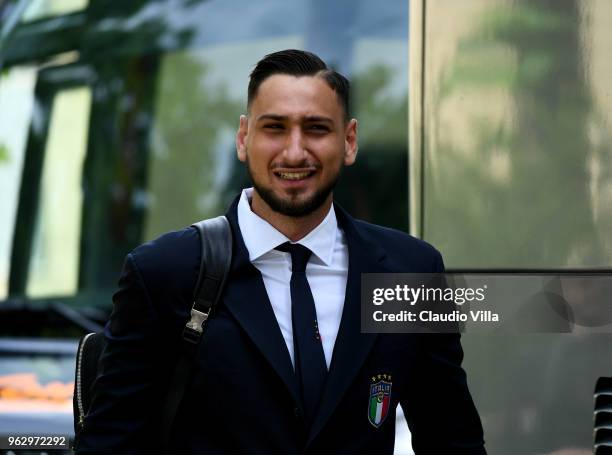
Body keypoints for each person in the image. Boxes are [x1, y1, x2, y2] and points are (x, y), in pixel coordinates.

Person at [76, 49, 486, 454]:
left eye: (316, 129)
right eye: (274, 128)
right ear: (243, 138)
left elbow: (453, 440)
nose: (294, 152)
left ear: (349, 141)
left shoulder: (412, 272)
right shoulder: (163, 273)